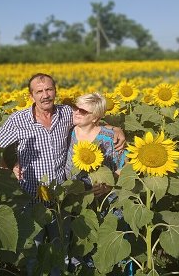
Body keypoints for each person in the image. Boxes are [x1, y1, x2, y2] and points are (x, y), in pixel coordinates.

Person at [0, 73, 126, 275]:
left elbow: (91, 118)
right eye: (39, 91)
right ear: (31, 96)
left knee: (60, 250)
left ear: (55, 91)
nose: (45, 95)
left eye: (49, 89)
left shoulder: (66, 113)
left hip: (60, 197)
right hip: (29, 196)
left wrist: (116, 128)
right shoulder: (18, 120)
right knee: (32, 251)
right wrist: (11, 165)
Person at [64, 92, 132, 274]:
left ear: (95, 117)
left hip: (105, 201)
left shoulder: (110, 138)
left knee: (107, 243)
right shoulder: (69, 130)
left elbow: (122, 167)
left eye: (82, 110)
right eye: (75, 107)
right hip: (77, 199)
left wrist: (109, 185)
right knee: (81, 242)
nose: (76, 112)